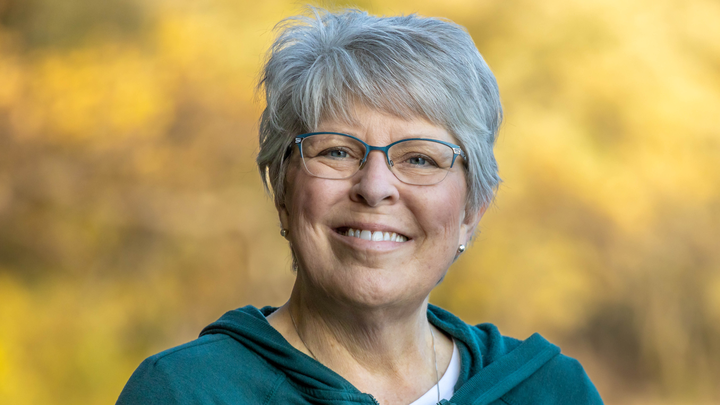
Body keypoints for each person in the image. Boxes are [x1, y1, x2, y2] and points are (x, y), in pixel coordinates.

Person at [116, 7, 603, 405]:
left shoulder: (552, 393)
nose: (374, 187)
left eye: (419, 158)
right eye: (336, 151)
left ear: (471, 211)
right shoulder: (186, 393)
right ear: (282, 191)